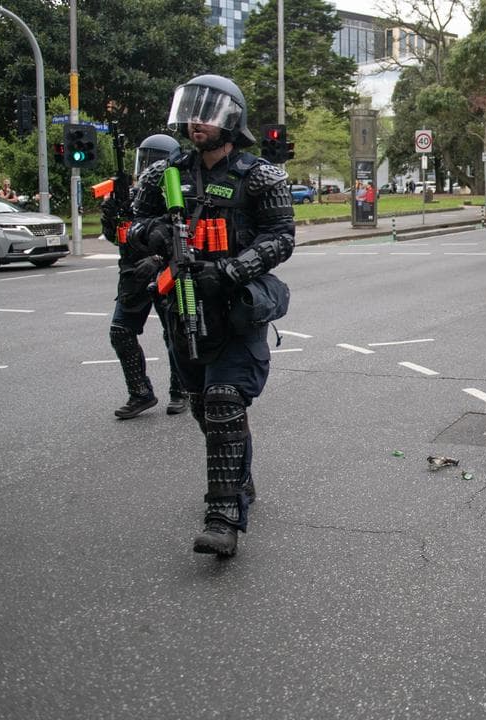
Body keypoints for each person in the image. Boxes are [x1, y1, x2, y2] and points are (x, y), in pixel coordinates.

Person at [128, 74, 295, 556]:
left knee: (224, 400)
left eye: (207, 111)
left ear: (231, 119)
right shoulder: (165, 174)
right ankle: (238, 476)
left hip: (236, 307)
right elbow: (130, 226)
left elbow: (281, 237)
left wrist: (229, 270)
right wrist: (154, 235)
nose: (195, 120)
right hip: (182, 307)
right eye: (191, 110)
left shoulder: (260, 176)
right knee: (205, 405)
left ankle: (223, 517)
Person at [105, 133, 188, 419]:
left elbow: (178, 232)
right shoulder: (129, 196)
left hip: (164, 270)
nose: (147, 167)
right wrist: (111, 215)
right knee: (121, 332)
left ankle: (181, 391)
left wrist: (157, 259)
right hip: (132, 274)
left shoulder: (177, 195)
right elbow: (117, 238)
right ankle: (140, 392)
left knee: (174, 333)